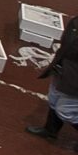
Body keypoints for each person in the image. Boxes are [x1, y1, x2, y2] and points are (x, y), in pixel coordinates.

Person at [26, 15, 78, 148]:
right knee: (53, 99)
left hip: (74, 79)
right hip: (63, 68)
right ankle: (50, 131)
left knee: (65, 110)